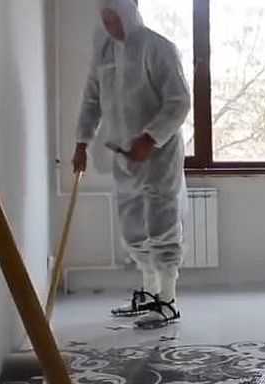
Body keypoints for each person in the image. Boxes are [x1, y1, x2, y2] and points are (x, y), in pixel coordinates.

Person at [73, 0, 191, 326]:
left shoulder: (158, 48)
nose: (109, 25)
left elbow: (179, 101)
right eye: (104, 19)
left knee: (161, 223)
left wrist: (149, 139)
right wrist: (81, 143)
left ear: (128, 14)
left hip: (158, 154)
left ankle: (168, 300)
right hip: (123, 155)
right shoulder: (105, 52)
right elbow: (91, 100)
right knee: (133, 227)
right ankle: (150, 292)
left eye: (114, 18)